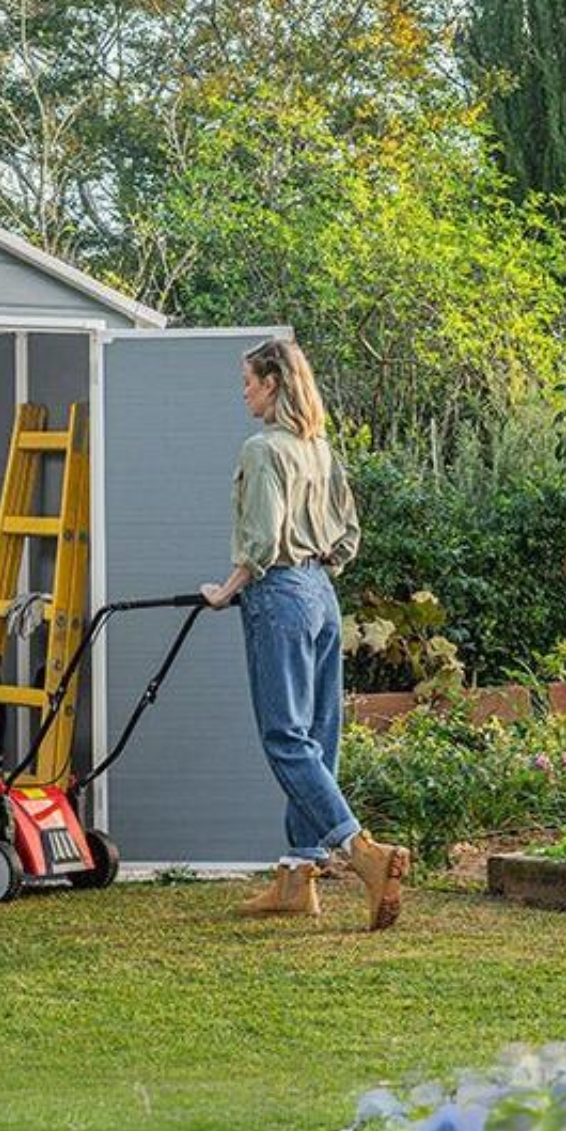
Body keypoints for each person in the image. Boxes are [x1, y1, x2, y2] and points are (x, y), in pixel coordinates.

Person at [198, 338, 410, 930]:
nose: (243, 391)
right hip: (321, 594)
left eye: (248, 381)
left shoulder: (263, 450)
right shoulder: (319, 450)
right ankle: (297, 876)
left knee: (286, 738)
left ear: (273, 383)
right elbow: (348, 535)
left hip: (280, 595)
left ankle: (364, 854)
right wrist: (315, 570)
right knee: (319, 735)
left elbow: (262, 542)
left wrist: (226, 589)